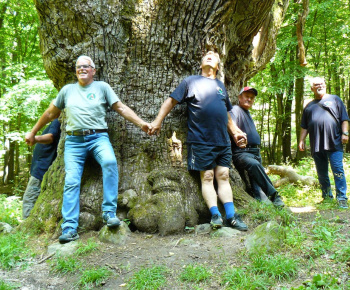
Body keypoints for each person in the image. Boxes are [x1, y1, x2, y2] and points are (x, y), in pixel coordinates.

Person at [25, 55, 151, 243]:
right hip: (74, 141)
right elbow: (51, 113)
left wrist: (142, 124)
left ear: (93, 70)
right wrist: (33, 133)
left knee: (109, 162)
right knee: (71, 180)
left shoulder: (102, 87)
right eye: (78, 67)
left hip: (98, 137)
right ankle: (69, 227)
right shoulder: (67, 90)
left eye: (86, 66)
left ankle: (109, 213)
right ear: (76, 71)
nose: (82, 69)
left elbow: (121, 108)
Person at [149, 51, 248, 231]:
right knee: (208, 176)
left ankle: (232, 216)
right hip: (201, 140)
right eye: (206, 55)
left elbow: (226, 114)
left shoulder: (220, 86)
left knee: (224, 176)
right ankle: (215, 215)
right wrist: (157, 121)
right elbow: (171, 101)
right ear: (201, 64)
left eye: (214, 56)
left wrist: (235, 133)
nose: (210, 55)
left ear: (218, 66)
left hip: (223, 141)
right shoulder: (190, 82)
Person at [229, 87, 285, 207]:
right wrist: (238, 135)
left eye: (252, 97)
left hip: (254, 152)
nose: (249, 99)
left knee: (258, 187)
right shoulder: (235, 110)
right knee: (254, 165)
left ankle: (266, 207)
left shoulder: (246, 112)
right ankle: (275, 196)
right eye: (246, 96)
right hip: (242, 152)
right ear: (239, 97)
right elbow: (230, 125)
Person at [299, 77, 349, 209]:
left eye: (321, 83)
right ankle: (327, 197)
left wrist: (345, 133)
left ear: (325, 85)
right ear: (312, 88)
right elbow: (304, 126)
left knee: (338, 170)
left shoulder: (335, 99)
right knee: (322, 173)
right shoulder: (309, 106)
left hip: (334, 142)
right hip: (316, 145)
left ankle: (342, 198)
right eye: (316, 85)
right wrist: (301, 140)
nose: (319, 86)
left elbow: (344, 119)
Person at [22, 119, 61, 219]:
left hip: (41, 170)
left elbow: (51, 137)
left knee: (29, 198)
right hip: (40, 168)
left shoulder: (58, 121)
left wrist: (35, 138)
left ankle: (27, 227)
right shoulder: (57, 121)